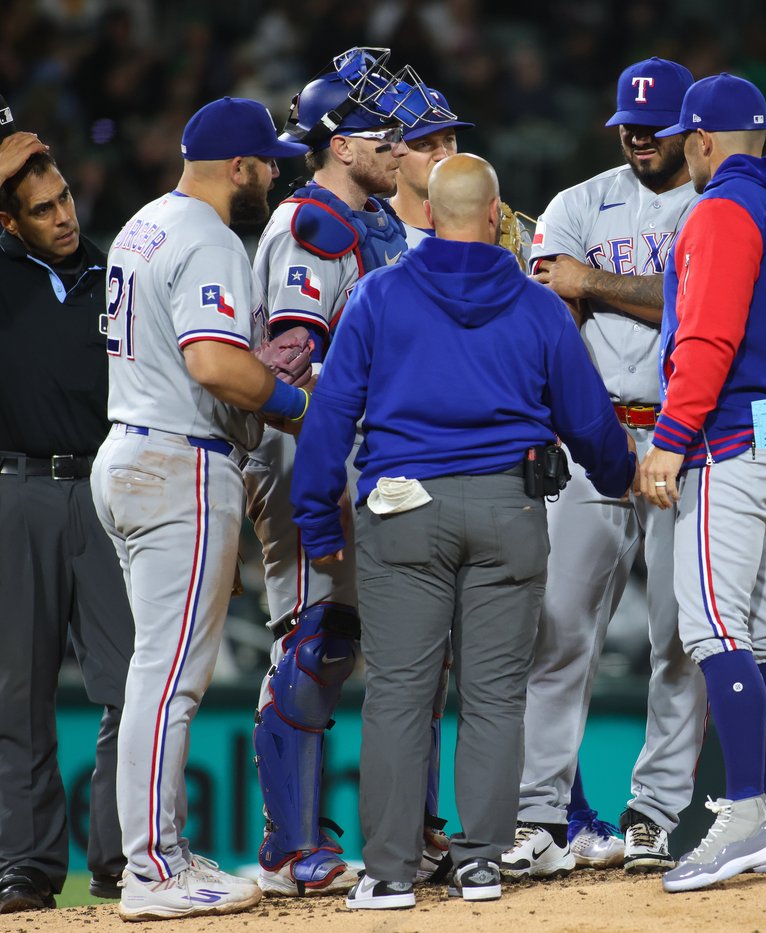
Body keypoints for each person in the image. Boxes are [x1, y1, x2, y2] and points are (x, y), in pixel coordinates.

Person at [291, 153, 637, 909]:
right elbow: (589, 421)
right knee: (494, 695)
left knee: (399, 695)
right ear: (492, 214)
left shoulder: (380, 295)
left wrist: (317, 518)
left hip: (402, 510)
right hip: (509, 508)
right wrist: (620, 477)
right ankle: (480, 862)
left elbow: (329, 419)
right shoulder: (538, 304)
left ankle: (387, 872)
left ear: (430, 213)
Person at [91, 96, 309, 920]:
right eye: (269, 162)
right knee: (170, 678)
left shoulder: (146, 221)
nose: (276, 174)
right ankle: (151, 869)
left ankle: (162, 851)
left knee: (159, 669)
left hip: (134, 447)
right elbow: (215, 364)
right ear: (239, 166)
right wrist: (295, 403)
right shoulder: (209, 235)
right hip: (176, 461)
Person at [245, 47, 453, 898]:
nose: (399, 147)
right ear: (338, 145)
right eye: (382, 136)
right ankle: (291, 846)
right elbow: (287, 364)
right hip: (310, 455)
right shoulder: (310, 227)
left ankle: (418, 831)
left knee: (406, 651)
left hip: (373, 456)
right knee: (317, 638)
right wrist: (328, 458)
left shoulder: (369, 224)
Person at [0, 123, 135, 913]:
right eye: (41, 208)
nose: (63, 216)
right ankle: (25, 867)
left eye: (65, 198)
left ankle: (122, 856)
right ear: (10, 221)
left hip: (106, 489)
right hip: (13, 491)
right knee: (20, 695)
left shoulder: (114, 274)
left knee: (130, 686)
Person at [504, 56, 709, 880]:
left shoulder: (715, 202)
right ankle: (539, 814)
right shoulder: (575, 203)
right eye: (628, 122)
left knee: (681, 638)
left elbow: (700, 303)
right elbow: (554, 311)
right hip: (591, 439)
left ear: (688, 130)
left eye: (653, 127)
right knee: (556, 634)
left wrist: (597, 282)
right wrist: (610, 288)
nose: (637, 135)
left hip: (688, 439)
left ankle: (655, 812)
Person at [637, 73, 766, 894]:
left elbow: (705, 340)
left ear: (702, 140)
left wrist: (671, 442)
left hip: (732, 443)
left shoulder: (720, 211)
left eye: (685, 139)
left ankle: (747, 813)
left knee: (714, 630)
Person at [386, 86, 473, 248]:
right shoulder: (373, 233)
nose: (443, 155)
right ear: (392, 153)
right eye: (424, 144)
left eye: (449, 140)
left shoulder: (491, 224)